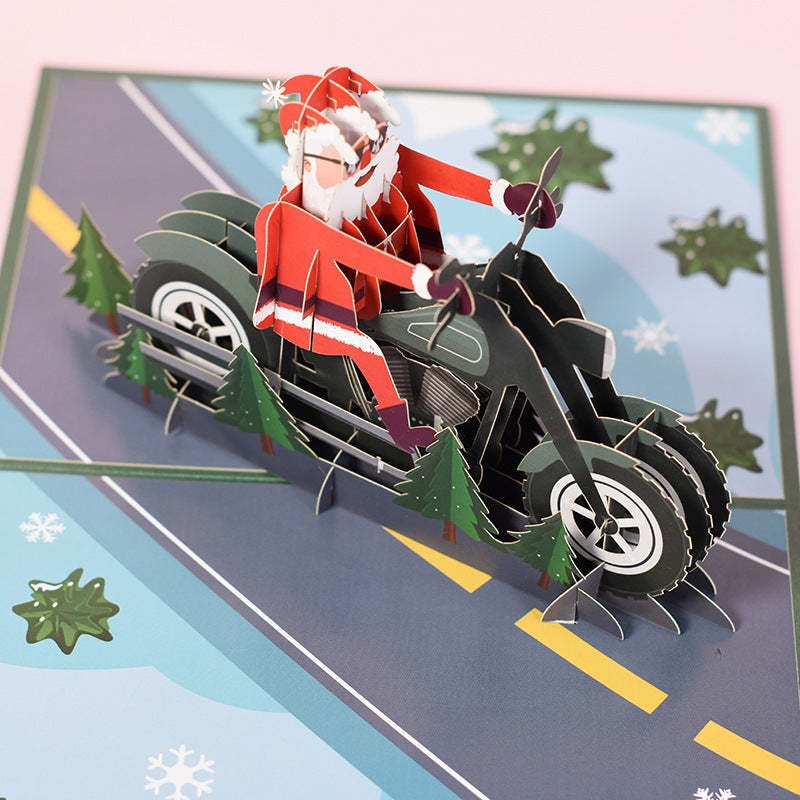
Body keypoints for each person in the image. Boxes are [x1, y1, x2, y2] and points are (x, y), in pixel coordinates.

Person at [253, 66, 556, 452]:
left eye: (373, 145)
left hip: (380, 280)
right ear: (309, 162)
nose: (365, 164)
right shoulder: (303, 216)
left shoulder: (379, 167)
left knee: (463, 285)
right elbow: (357, 254)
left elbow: (437, 173)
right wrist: (424, 281)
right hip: (316, 307)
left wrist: (507, 196)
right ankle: (400, 430)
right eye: (350, 159)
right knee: (367, 351)